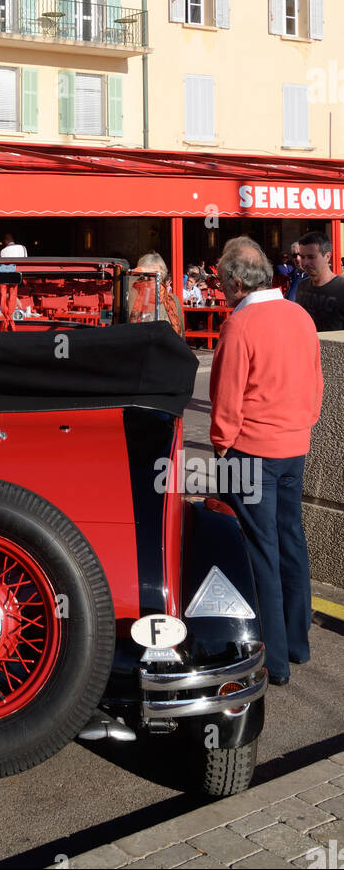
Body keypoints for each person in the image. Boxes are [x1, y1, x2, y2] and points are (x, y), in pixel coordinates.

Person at [209, 236, 323, 685]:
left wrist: (222, 445)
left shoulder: (241, 324)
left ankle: (273, 660)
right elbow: (316, 384)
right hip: (295, 444)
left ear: (236, 282)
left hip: (252, 449)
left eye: (221, 284)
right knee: (290, 541)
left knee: (262, 552)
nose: (220, 290)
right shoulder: (299, 315)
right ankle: (298, 642)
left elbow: (226, 400)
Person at [294, 231, 344, 331]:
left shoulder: (341, 288)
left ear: (327, 257)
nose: (305, 262)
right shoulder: (302, 285)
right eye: (302, 257)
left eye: (311, 257)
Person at [128, 252, 184, 336]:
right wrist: (136, 273)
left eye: (157, 273)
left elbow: (181, 334)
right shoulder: (133, 297)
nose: (153, 277)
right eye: (149, 274)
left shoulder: (172, 300)